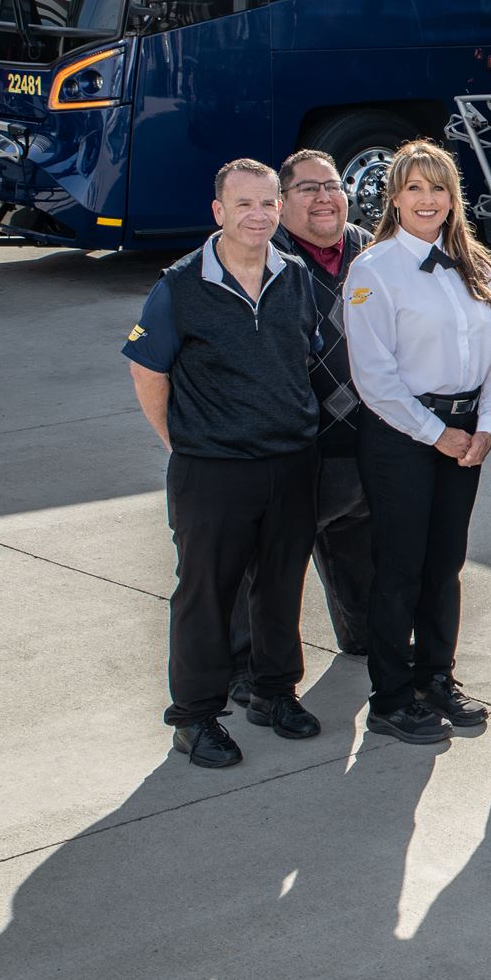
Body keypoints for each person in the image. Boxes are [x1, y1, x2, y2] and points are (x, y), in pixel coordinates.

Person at [122, 159, 322, 769]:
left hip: (290, 461)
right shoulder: (179, 285)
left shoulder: (295, 276)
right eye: (244, 205)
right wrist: (181, 443)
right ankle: (196, 717)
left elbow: (302, 357)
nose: (258, 216)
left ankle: (272, 692)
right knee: (205, 596)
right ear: (219, 212)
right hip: (212, 469)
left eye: (268, 204)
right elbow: (148, 369)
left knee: (281, 587)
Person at [344, 139, 491, 746]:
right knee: (400, 568)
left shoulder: (479, 266)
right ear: (395, 197)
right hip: (404, 438)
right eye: (414, 187)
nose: (428, 199)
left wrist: (488, 425)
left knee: (445, 565)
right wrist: (437, 435)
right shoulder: (374, 270)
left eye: (438, 188)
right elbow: (374, 377)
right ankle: (390, 697)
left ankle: (437, 676)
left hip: (468, 435)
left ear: (453, 197)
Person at [228, 149, 376, 705]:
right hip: (292, 446)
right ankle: (248, 669)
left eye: (332, 186)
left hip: (366, 438)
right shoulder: (259, 257)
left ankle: (365, 638)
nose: (323, 198)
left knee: (358, 547)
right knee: (264, 564)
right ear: (281, 202)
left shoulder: (371, 248)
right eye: (307, 189)